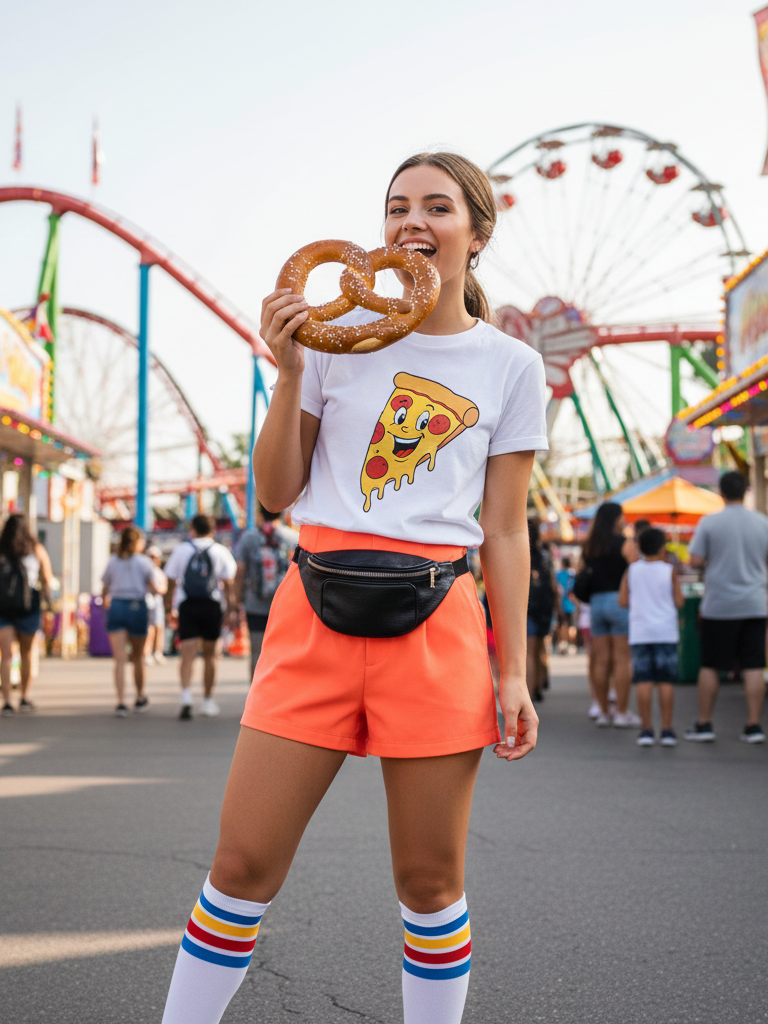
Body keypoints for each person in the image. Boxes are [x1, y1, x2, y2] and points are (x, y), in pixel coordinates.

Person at [160, 151, 548, 1024]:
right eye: (396, 206)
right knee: (241, 865)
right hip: (312, 615)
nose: (413, 221)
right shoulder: (332, 345)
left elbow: (507, 529)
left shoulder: (512, 368)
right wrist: (289, 372)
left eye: (438, 207)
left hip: (440, 623)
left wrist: (513, 671)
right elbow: (273, 493)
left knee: (430, 882)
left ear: (476, 233)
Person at [685, 471, 768, 744]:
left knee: (710, 665)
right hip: (756, 603)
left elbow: (695, 559)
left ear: (721, 492)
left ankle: (705, 723)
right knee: (754, 665)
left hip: (719, 605)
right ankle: (754, 725)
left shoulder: (710, 523)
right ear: (745, 491)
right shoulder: (762, 523)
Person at [164, 514, 237, 720]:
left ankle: (186, 695)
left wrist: (169, 608)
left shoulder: (181, 550)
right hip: (212, 606)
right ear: (212, 530)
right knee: (210, 654)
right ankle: (207, 700)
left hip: (188, 605)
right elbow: (228, 583)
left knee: (187, 652)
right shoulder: (220, 551)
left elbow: (171, 580)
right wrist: (231, 610)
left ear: (192, 529)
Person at [619, 527, 684, 746]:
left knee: (643, 681)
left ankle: (646, 729)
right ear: (662, 547)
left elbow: (623, 600)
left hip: (641, 632)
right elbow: (679, 601)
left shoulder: (632, 570)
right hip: (665, 632)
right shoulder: (669, 570)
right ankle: (666, 729)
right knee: (665, 681)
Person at [581, 502, 640, 728]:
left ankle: (603, 710)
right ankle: (622, 712)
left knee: (601, 660)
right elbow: (636, 571)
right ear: (616, 519)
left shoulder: (590, 546)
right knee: (622, 659)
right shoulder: (624, 544)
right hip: (619, 601)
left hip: (596, 603)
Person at [101, 526, 161, 717]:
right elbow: (155, 588)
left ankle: (120, 701)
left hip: (117, 605)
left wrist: (106, 602)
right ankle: (140, 696)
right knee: (138, 657)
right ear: (136, 542)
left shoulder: (113, 561)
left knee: (119, 659)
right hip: (137, 606)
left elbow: (105, 587)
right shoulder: (144, 562)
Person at [0, 514, 53, 716]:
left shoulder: (1, 550)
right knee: (27, 654)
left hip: (3, 607)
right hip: (28, 606)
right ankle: (24, 697)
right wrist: (48, 604)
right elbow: (47, 579)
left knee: (6, 656)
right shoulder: (36, 550)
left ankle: (6, 702)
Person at [233, 505, 291, 678]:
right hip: (285, 606)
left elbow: (240, 571)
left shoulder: (249, 538)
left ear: (259, 514)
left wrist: (237, 601)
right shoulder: (292, 537)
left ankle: (256, 698)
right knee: (284, 653)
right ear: (282, 514)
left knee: (257, 653)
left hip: (255, 605)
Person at [527, 519, 557, 701]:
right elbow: (553, 583)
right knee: (538, 649)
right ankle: (537, 684)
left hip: (526, 607)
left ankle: (528, 693)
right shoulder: (545, 556)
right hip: (544, 607)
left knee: (527, 653)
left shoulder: (516, 553)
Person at [144, 545, 168, 665]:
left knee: (159, 627)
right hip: (146, 601)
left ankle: (158, 652)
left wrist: (157, 589)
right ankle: (146, 653)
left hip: (157, 602)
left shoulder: (160, 573)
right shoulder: (144, 570)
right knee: (149, 629)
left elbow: (163, 588)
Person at [555, 555, 576, 654]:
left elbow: (556, 588)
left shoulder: (558, 574)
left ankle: (563, 643)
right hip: (571, 603)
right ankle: (571, 644)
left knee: (562, 624)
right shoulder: (572, 574)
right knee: (571, 625)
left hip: (561, 603)